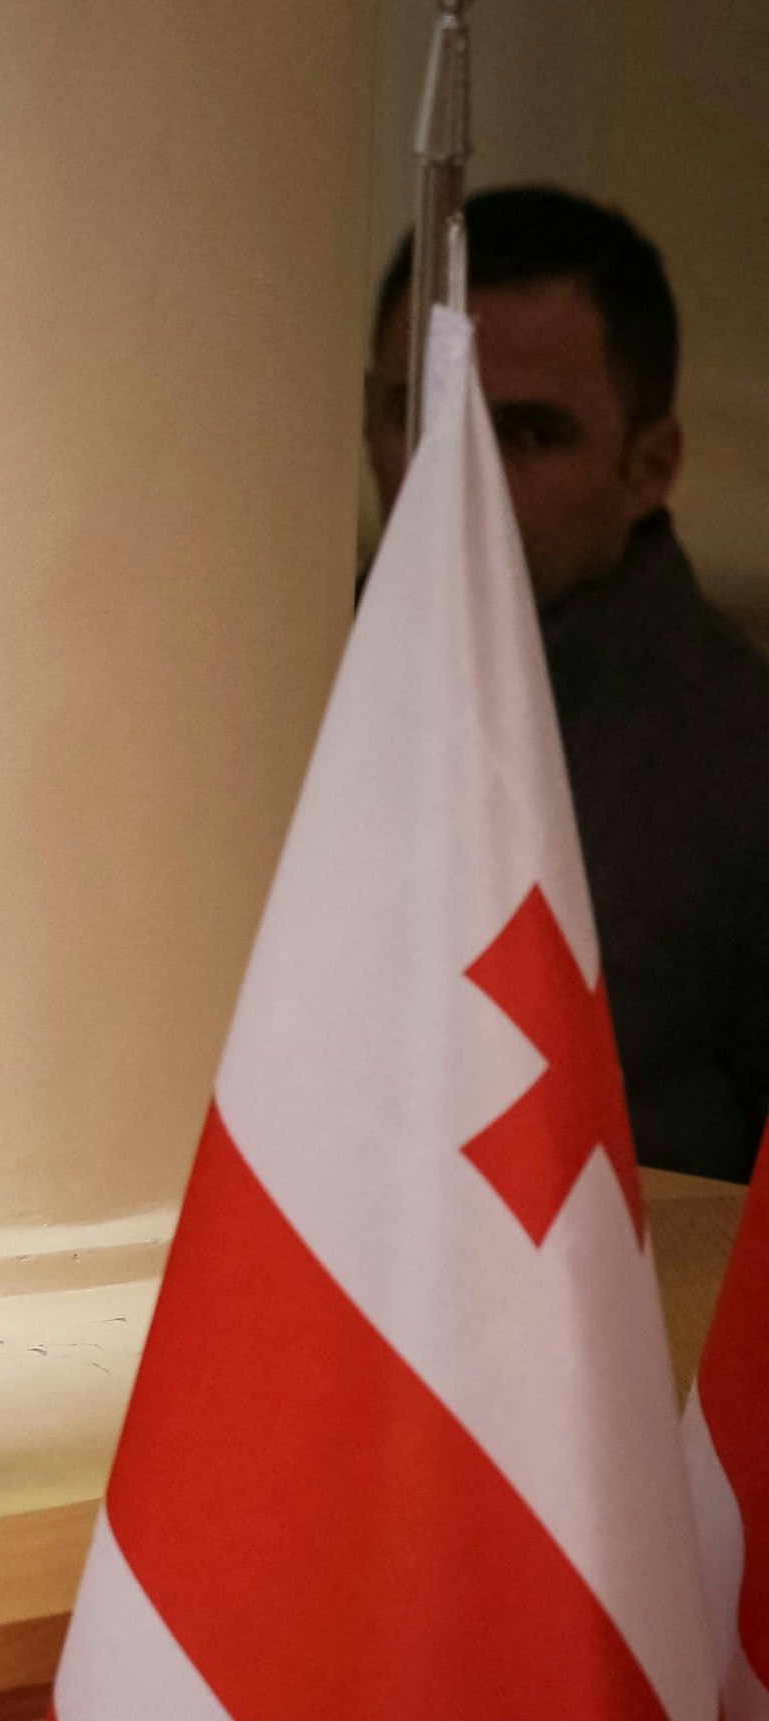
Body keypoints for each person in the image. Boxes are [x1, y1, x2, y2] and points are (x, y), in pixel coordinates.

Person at [365, 186, 769, 1183]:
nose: (449, 473)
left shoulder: (742, 769)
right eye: (413, 414)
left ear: (650, 464)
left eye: (528, 434)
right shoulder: (256, 691)